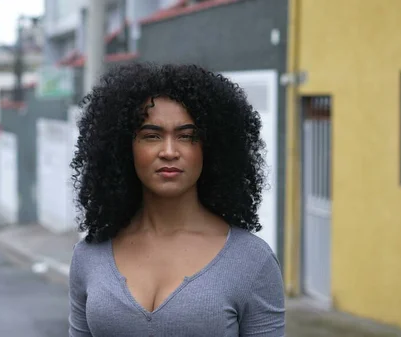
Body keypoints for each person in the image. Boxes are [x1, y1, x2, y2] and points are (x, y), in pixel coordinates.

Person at [69, 63, 285, 337]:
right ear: (123, 147)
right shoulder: (90, 255)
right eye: (151, 136)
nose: (169, 151)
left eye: (186, 136)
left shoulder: (251, 261)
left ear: (212, 148)